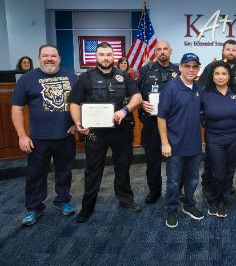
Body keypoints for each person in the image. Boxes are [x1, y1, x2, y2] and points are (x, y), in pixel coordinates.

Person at [69, 42, 143, 223]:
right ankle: (87, 207)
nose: (106, 58)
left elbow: (138, 97)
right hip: (95, 133)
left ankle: (126, 200)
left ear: (113, 56)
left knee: (123, 167)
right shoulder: (86, 78)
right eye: (102, 54)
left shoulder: (124, 76)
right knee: (93, 171)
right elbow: (74, 102)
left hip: (121, 131)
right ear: (96, 57)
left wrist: (125, 110)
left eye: (109, 54)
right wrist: (78, 123)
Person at [11, 44, 77, 226]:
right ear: (39, 58)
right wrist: (21, 135)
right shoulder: (27, 78)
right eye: (45, 55)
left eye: (53, 56)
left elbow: (80, 102)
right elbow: (16, 108)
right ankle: (34, 208)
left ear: (59, 58)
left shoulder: (71, 76)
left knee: (64, 172)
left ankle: (63, 201)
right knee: (35, 175)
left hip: (65, 136)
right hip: (37, 138)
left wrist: (76, 124)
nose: (49, 59)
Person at [158, 53, 204, 228]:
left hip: (194, 145)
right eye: (187, 66)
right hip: (174, 145)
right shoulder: (170, 88)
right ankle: (171, 209)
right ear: (180, 67)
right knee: (173, 181)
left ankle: (189, 205)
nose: (191, 70)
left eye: (194, 66)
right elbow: (161, 118)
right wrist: (165, 143)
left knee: (193, 179)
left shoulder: (198, 88)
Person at [198, 39, 236, 194]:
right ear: (222, 50)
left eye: (234, 50)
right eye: (227, 49)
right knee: (212, 161)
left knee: (230, 162)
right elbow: (201, 91)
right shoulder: (211, 67)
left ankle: (226, 186)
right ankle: (207, 185)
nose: (230, 52)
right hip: (213, 123)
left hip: (234, 123)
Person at [136, 40, 179, 204]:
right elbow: (135, 92)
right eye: (159, 49)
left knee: (175, 161)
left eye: (165, 49)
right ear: (155, 52)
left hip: (174, 124)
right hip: (152, 124)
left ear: (170, 51)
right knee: (152, 162)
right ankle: (154, 191)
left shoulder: (178, 71)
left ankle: (175, 191)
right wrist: (141, 102)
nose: (162, 52)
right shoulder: (146, 70)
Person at [201, 60, 236, 218]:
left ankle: (223, 201)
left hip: (235, 137)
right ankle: (213, 200)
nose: (220, 77)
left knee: (230, 171)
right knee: (217, 172)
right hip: (214, 138)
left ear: (229, 75)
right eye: (217, 73)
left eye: (224, 73)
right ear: (212, 76)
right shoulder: (205, 92)